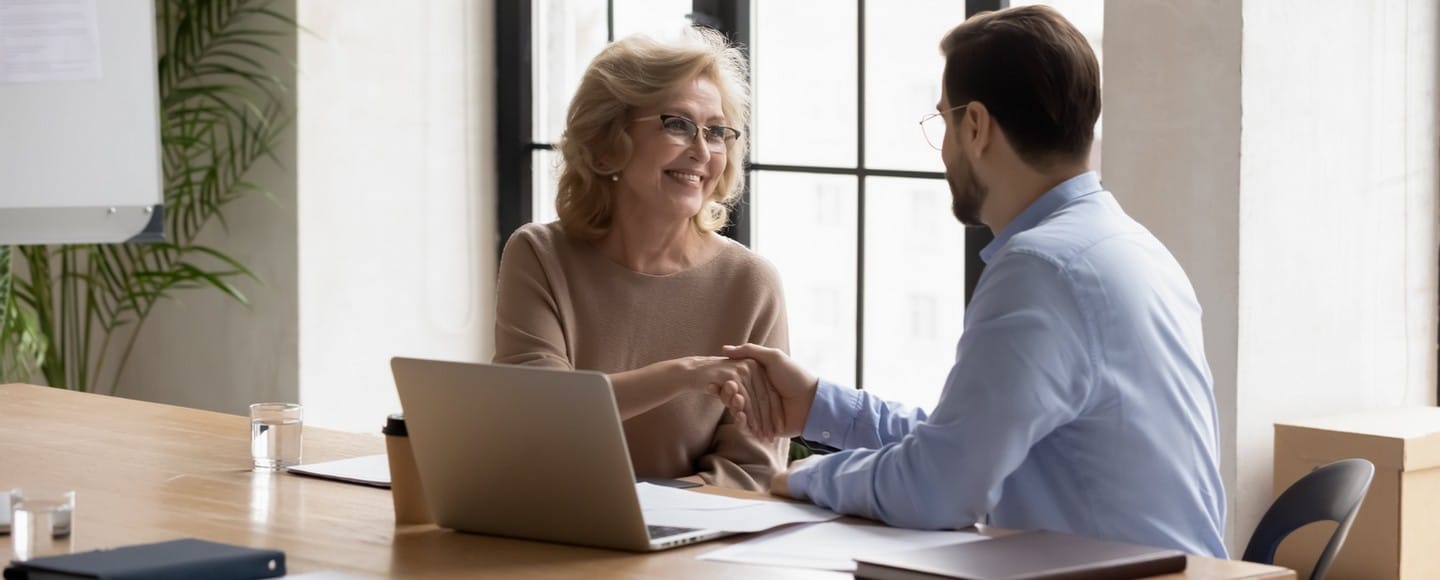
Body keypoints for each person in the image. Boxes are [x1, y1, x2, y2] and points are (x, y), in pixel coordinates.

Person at [722, 5, 1227, 557]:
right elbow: (961, 445)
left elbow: (937, 489)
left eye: (944, 121)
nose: (943, 148)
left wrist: (801, 480)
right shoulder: (1129, 246)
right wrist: (819, 406)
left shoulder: (1043, 269)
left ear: (977, 126)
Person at [492, 28, 788, 491]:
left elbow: (752, 470)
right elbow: (539, 413)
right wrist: (684, 374)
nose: (702, 150)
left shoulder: (750, 283)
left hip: (688, 548)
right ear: (609, 144)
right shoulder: (539, 255)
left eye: (716, 131)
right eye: (678, 124)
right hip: (548, 530)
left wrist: (645, 512)